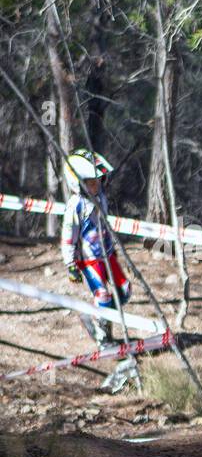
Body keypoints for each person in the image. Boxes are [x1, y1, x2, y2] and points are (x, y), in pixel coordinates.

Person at [60, 148, 130, 345]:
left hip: (107, 255)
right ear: (78, 183)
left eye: (98, 180)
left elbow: (104, 225)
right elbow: (68, 236)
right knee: (103, 294)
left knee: (124, 291)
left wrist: (112, 246)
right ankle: (103, 337)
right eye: (91, 182)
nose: (96, 185)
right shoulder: (75, 206)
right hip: (89, 259)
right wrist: (70, 264)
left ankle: (99, 317)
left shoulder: (101, 197)